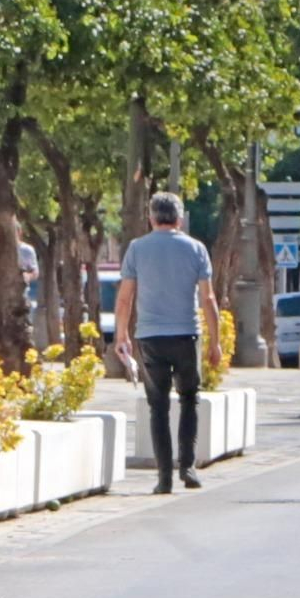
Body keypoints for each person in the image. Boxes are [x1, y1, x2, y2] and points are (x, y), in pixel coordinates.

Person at [114, 193, 222, 495]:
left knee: (157, 406)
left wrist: (121, 334)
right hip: (187, 334)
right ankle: (187, 466)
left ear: (150, 218)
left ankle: (163, 478)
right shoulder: (196, 249)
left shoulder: (137, 249)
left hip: (150, 338)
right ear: (180, 218)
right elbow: (208, 298)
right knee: (189, 399)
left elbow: (125, 298)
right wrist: (216, 342)